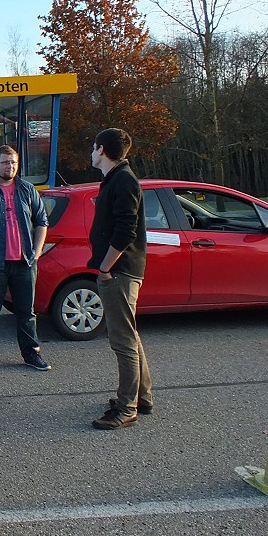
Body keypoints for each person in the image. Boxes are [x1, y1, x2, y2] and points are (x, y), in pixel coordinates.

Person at [88, 128, 152, 430]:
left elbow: (126, 231)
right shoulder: (115, 179)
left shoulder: (124, 180)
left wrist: (105, 267)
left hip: (121, 271)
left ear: (102, 150)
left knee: (123, 340)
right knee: (131, 335)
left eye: (93, 147)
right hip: (121, 269)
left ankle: (127, 407)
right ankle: (142, 397)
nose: (91, 152)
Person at [0, 144, 51, 372]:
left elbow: (42, 220)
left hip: (24, 263)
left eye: (13, 162)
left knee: (26, 313)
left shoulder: (27, 189)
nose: (10, 166)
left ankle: (31, 354)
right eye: (5, 162)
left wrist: (37, 251)